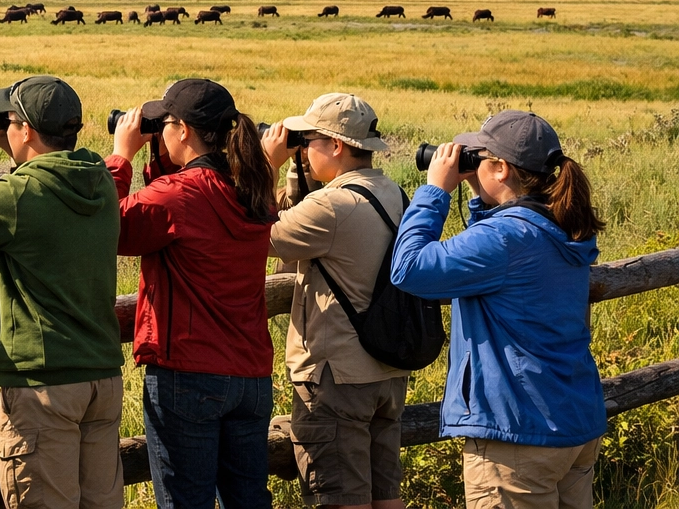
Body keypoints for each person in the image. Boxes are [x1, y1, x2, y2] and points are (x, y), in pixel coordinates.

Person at [391, 110, 607, 509]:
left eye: (479, 158)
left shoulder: (506, 237)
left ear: (502, 168)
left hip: (517, 434)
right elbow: (490, 250)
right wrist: (479, 193)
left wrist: (435, 191)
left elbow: (409, 268)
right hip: (573, 423)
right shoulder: (559, 226)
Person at [0, 75, 125, 509]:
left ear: (25, 130)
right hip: (101, 377)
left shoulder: (16, 196)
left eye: (8, 123)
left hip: (44, 383)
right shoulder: (98, 179)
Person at [106, 78, 277, 509]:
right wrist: (159, 161)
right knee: (248, 501)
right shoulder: (252, 190)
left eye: (163, 123)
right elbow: (182, 203)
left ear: (182, 130)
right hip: (251, 376)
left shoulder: (177, 196)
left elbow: (107, 227)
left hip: (189, 372)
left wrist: (121, 156)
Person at [263, 93, 408, 509]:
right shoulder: (394, 193)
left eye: (309, 140)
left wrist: (268, 166)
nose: (303, 149)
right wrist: (300, 175)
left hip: (337, 377)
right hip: (386, 371)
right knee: (386, 496)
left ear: (337, 146)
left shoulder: (331, 206)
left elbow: (257, 234)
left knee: (342, 498)